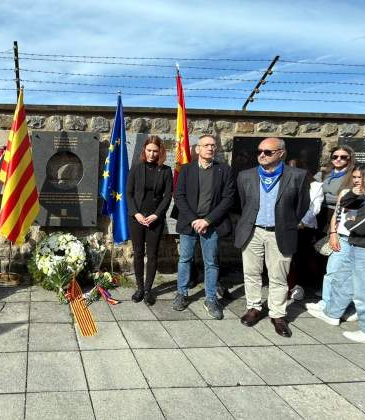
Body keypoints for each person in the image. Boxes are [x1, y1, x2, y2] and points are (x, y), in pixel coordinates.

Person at [235, 137, 309, 337]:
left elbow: (302, 206)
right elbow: (243, 204)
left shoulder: (297, 176)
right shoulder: (246, 176)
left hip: (280, 232)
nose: (261, 155)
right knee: (251, 273)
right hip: (253, 231)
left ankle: (277, 314)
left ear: (281, 153)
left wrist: (287, 223)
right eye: (259, 151)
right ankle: (254, 307)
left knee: (278, 276)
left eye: (268, 152)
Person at [312, 162, 365, 347]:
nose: (361, 181)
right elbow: (345, 204)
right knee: (343, 281)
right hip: (359, 247)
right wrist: (356, 192)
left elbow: (357, 226)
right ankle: (332, 313)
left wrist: (352, 221)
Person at [171, 135, 235, 319]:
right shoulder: (186, 170)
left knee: (211, 262)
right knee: (185, 259)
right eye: (206, 145)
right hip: (189, 223)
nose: (210, 148)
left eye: (213, 145)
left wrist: (207, 220)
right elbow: (179, 196)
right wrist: (194, 219)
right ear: (197, 149)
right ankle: (182, 294)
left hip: (212, 225)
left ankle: (211, 298)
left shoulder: (224, 170)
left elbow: (228, 199)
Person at [306, 167, 362, 324]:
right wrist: (333, 234)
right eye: (355, 177)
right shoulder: (345, 193)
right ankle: (327, 303)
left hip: (360, 241)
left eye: (361, 177)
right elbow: (337, 215)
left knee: (354, 276)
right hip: (342, 237)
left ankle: (348, 307)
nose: (358, 180)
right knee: (332, 272)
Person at [126, 135, 173, 306]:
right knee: (138, 253)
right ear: (144, 151)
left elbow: (168, 196)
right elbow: (128, 193)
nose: (152, 154)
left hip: (155, 219)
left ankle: (148, 290)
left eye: (155, 151)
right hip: (137, 218)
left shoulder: (166, 171)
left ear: (160, 152)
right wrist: (136, 213)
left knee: (152, 255)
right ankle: (139, 288)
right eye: (149, 150)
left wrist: (157, 214)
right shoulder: (136, 168)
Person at [285, 158, 324, 301]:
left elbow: (314, 208)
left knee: (299, 257)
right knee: (286, 257)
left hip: (304, 228)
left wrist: (301, 223)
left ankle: (298, 285)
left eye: (295, 168)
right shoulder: (286, 182)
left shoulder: (316, 186)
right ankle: (287, 284)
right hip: (286, 226)